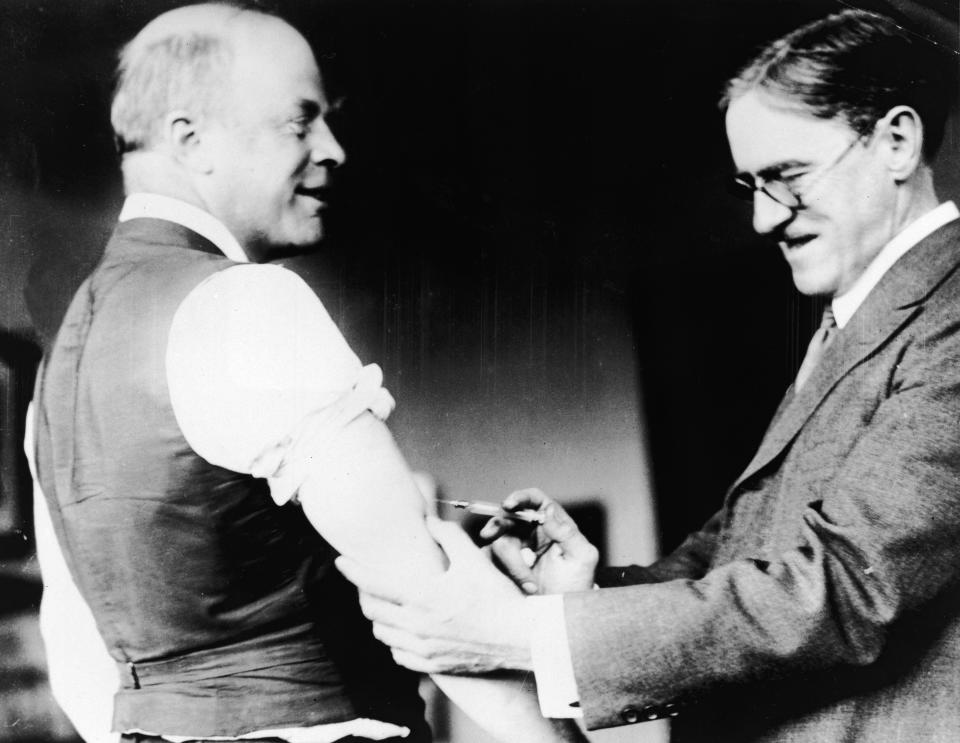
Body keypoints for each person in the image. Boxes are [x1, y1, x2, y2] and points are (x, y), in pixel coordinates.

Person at [337, 8, 960, 742]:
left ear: (896, 140)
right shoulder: (858, 321)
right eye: (749, 186)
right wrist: (584, 590)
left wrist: (526, 636)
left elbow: (848, 588)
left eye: (787, 177)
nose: (764, 220)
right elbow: (739, 553)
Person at [27, 3, 585, 743]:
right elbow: (426, 601)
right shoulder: (244, 302)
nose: (333, 149)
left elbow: (78, 656)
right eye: (302, 120)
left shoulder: (59, 365)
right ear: (191, 140)